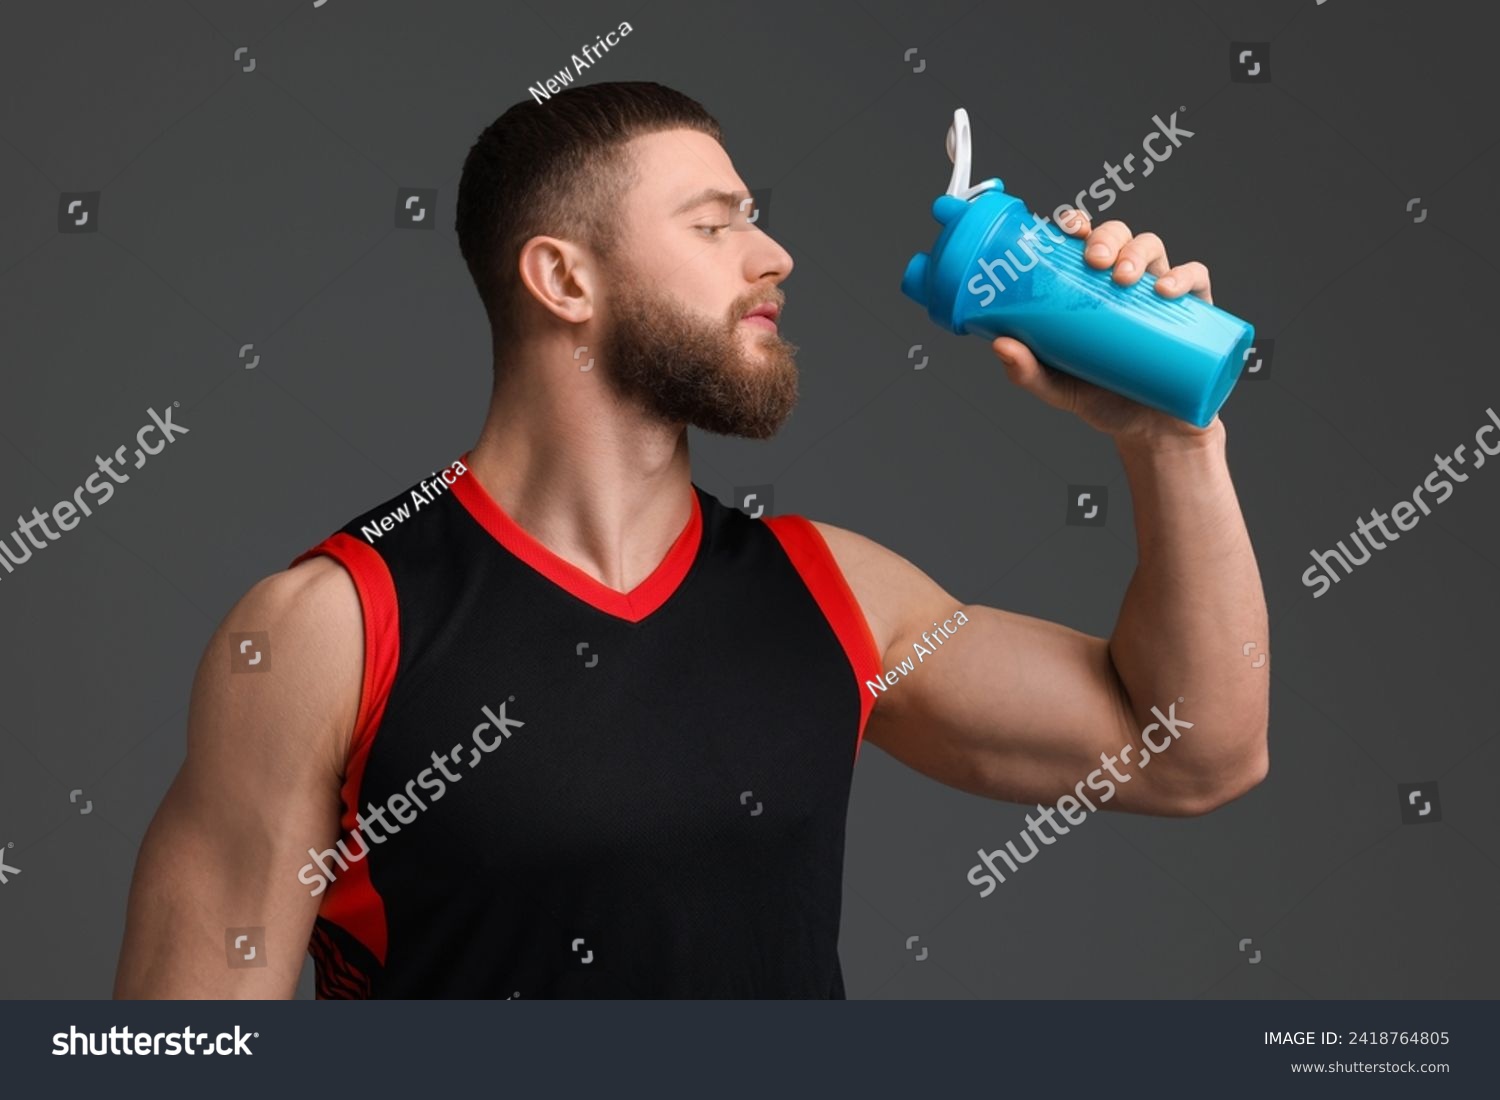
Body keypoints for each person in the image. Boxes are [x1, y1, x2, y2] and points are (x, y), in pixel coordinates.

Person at [114, 82, 1268, 999]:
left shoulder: (837, 593)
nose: (774, 257)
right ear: (564, 277)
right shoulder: (330, 629)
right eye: (716, 224)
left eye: (753, 218)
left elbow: (1192, 752)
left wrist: (1173, 445)